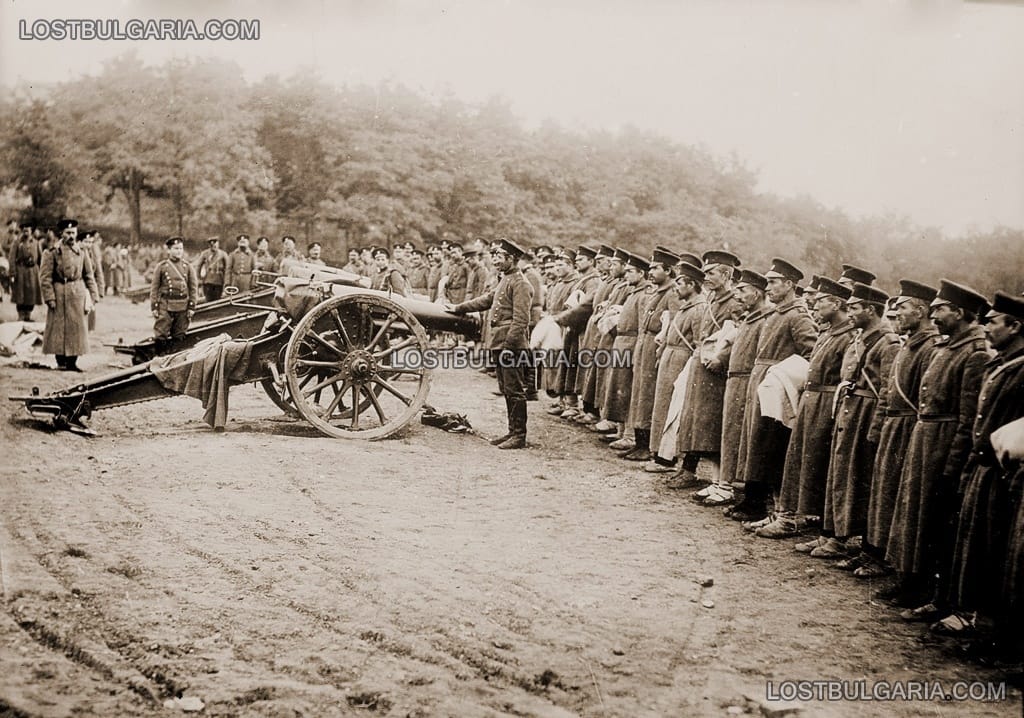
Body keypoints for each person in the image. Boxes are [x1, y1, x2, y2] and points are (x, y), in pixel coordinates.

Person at [886, 279, 991, 624]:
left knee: (934, 519)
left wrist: (954, 460)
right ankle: (911, 583)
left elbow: (967, 417)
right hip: (926, 435)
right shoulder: (950, 346)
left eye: (940, 310)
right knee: (915, 512)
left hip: (943, 442)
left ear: (959, 313)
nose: (934, 316)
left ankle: (932, 594)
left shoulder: (973, 353)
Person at [758, 277, 856, 537]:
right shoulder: (827, 331)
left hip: (827, 404)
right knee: (798, 459)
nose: (815, 304)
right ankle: (789, 516)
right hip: (810, 401)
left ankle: (802, 520)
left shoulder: (849, 336)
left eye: (822, 301)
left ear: (836, 304)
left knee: (817, 463)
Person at [447, 238, 534, 449]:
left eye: (499, 257)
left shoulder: (521, 283)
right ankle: (512, 431)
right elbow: (486, 300)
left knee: (514, 390)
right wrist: (459, 308)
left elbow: (521, 320)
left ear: (511, 259)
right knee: (506, 388)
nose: (495, 260)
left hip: (510, 344)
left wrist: (509, 346)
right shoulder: (506, 279)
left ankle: (519, 435)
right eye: (494, 256)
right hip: (499, 340)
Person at [673, 250, 743, 492]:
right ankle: (692, 471)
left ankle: (718, 482)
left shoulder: (735, 302)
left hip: (717, 372)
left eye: (711, 273)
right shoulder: (712, 299)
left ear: (726, 275)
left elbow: (738, 336)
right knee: (695, 421)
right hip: (701, 367)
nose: (706, 278)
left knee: (712, 426)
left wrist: (721, 358)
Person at [39, 219, 100, 372]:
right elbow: (45, 277)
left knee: (76, 329)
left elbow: (89, 275)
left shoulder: (82, 252)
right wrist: (50, 297)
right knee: (58, 329)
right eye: (68, 233)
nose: (71, 236)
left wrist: (94, 295)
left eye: (73, 233)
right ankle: (61, 362)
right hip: (59, 292)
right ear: (62, 234)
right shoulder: (52, 252)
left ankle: (72, 362)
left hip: (77, 293)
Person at [149, 236, 199, 355]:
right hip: (165, 305)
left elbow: (193, 289)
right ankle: (160, 358)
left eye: (181, 249)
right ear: (169, 250)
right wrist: (154, 307)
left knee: (180, 333)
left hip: (182, 305)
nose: (179, 251)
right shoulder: (161, 267)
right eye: (176, 248)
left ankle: (175, 358)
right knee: (161, 333)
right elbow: (154, 289)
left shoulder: (188, 267)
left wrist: (192, 306)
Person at [10, 222, 43, 321]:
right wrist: (12, 273)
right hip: (20, 271)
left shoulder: (36, 243)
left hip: (32, 272)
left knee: (31, 294)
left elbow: (41, 259)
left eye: (28, 228)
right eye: (23, 228)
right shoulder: (17, 243)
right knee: (20, 294)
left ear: (31, 230)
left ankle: (28, 315)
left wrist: (42, 272)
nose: (25, 229)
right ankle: (21, 315)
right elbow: (12, 258)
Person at [196, 237, 229, 302]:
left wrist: (226, 281)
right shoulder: (205, 254)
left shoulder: (223, 254)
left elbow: (228, 268)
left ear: (218, 244)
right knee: (208, 299)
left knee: (218, 300)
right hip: (207, 281)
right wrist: (199, 278)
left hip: (219, 281)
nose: (213, 246)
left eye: (215, 244)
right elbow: (198, 266)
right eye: (211, 245)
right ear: (209, 245)